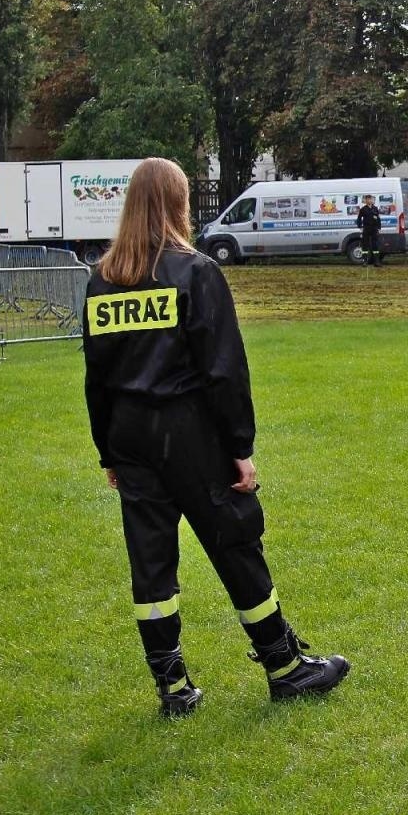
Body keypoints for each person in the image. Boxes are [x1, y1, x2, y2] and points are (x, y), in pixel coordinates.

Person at [83, 158, 349, 717]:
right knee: (235, 541)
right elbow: (224, 369)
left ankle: (173, 689)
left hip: (130, 433)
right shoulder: (195, 271)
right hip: (190, 434)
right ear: (178, 203)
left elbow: (97, 377)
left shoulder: (102, 280)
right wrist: (240, 448)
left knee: (151, 562)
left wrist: (109, 450)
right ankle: (284, 667)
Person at [356, 194, 383, 266]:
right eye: (367, 199)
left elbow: (378, 219)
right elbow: (359, 219)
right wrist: (360, 227)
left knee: (375, 245)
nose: (369, 201)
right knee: (365, 245)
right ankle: (365, 261)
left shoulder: (375, 208)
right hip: (366, 229)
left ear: (372, 200)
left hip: (374, 229)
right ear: (365, 201)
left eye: (370, 199)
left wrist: (379, 228)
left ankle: (376, 262)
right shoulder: (363, 209)